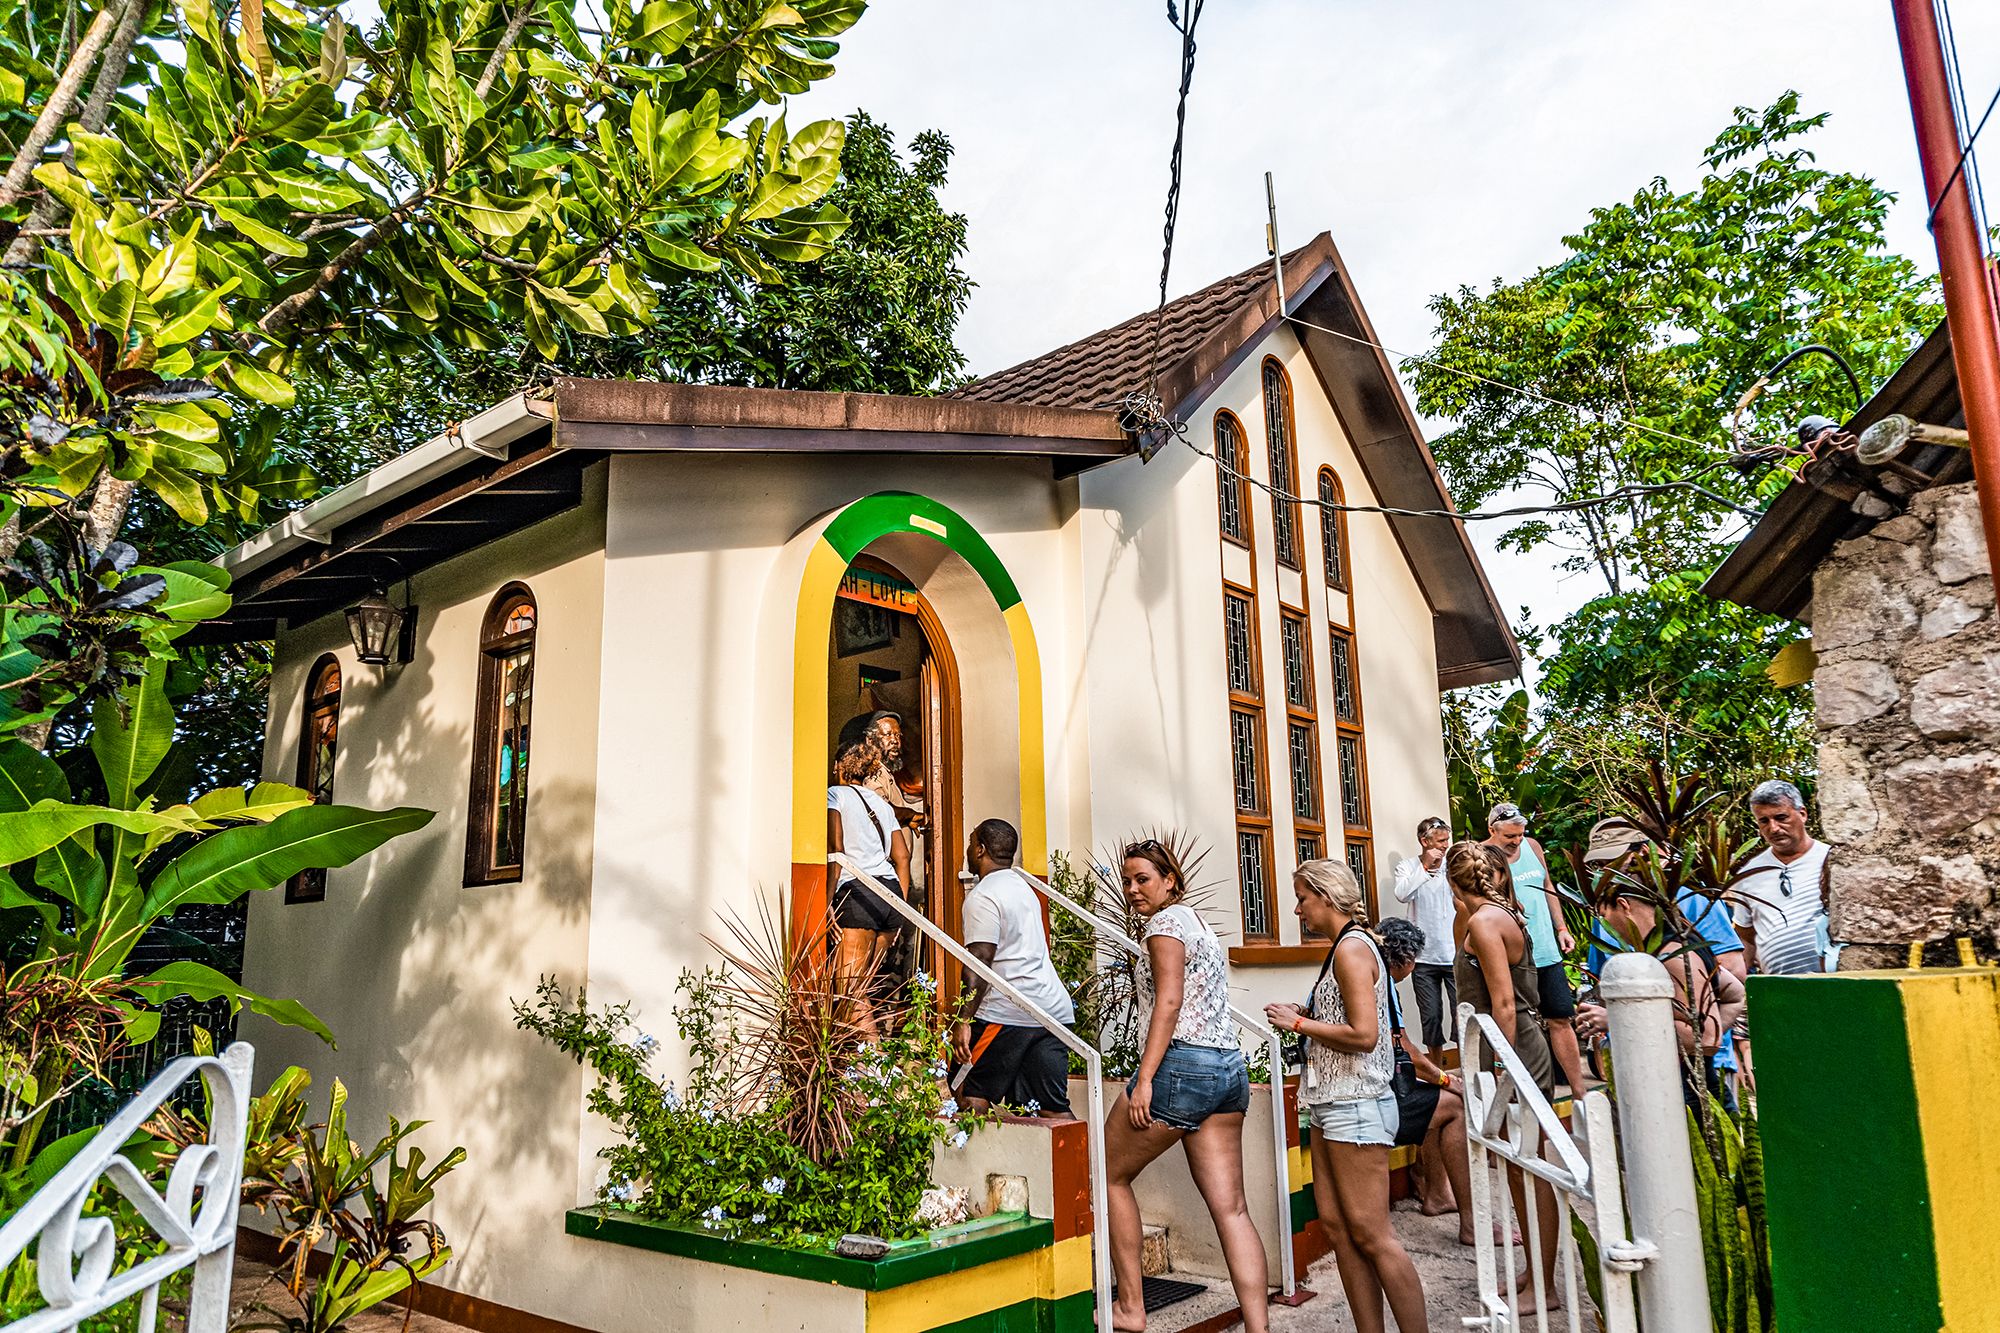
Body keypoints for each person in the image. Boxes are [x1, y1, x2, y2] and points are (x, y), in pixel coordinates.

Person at [1107, 840, 1268, 1333]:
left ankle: (1132, 1309)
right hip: (1227, 1069)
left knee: (1108, 1174)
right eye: (1128, 881)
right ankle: (1260, 1328)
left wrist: (1146, 1080)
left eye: (1144, 880)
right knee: (1233, 1209)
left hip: (1182, 1067)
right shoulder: (1197, 923)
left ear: (1170, 880)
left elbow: (1169, 1002)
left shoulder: (1163, 924)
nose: (1133, 890)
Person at [1264, 862, 1428, 1333]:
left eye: (1302, 899)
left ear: (1327, 897)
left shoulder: (1352, 950)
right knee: (1338, 1227)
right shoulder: (1345, 947)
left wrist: (1298, 1023)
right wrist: (1309, 1011)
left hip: (1357, 1103)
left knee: (1375, 1236)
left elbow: (1363, 1034)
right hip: (1334, 1103)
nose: (1297, 910)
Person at [1450, 840, 1560, 1313]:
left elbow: (1505, 1005)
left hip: (1518, 1054)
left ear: (1453, 883)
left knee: (1531, 1166)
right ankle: (1534, 1270)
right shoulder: (1495, 913)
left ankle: (1547, 1286)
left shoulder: (1485, 921)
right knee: (1516, 1166)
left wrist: (1501, 1068)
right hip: (1507, 1050)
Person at [1578, 817, 1751, 1098]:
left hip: (1685, 1084)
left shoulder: (1678, 934)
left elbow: (1705, 1033)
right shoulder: (1671, 932)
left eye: (1615, 860)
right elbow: (1730, 997)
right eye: (1600, 864)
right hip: (1644, 1066)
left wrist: (1619, 1019)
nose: (1608, 870)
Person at [953, 818, 1076, 1118]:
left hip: (1008, 1014)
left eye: (971, 843)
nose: (968, 850)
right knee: (1051, 1109)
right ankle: (1089, 1166)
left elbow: (980, 959)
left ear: (980, 850)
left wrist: (963, 1020)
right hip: (1052, 1013)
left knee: (968, 1091)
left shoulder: (982, 896)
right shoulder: (1023, 888)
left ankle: (970, 1164)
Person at [1376, 917, 1479, 1247]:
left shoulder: (1372, 975)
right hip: (1378, 1098)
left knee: (1437, 1101)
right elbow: (1406, 1049)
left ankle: (1436, 1192)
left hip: (1372, 1088)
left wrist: (1440, 1081)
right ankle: (1471, 1223)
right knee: (1455, 1106)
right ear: (1407, 961)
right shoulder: (1383, 986)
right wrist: (1448, 1078)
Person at [1483, 803, 1587, 1096]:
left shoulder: (1533, 847)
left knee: (1561, 1017)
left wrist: (1562, 929)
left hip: (1545, 949)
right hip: (1512, 956)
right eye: (1509, 837)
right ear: (1492, 830)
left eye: (1520, 834)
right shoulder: (1482, 856)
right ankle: (1515, 1091)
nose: (1516, 841)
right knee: (1514, 1020)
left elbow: (1548, 886)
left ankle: (1579, 1091)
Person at [826, 735, 912, 1035]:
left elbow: (836, 851)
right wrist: (899, 904)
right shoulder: (883, 804)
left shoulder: (834, 795)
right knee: (866, 988)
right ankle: (864, 1066)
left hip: (857, 892)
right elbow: (902, 856)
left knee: (850, 991)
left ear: (839, 766)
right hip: (888, 893)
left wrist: (826, 905)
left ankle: (875, 1069)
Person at [1733, 779, 1831, 979]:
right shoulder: (1749, 873)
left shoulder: (1831, 860)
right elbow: (1746, 937)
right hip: (1780, 990)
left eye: (1781, 817)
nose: (1774, 828)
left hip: (1834, 983)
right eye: (1764, 821)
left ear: (1802, 814)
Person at [1392, 816, 1456, 1061]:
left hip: (1453, 954)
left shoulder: (1452, 865)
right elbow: (1402, 895)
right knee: (1430, 1016)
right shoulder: (1408, 867)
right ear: (1424, 841)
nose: (1444, 845)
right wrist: (1426, 868)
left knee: (1462, 1012)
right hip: (1424, 958)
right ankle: (1438, 1069)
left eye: (1446, 840)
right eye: (1440, 841)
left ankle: (1468, 1065)